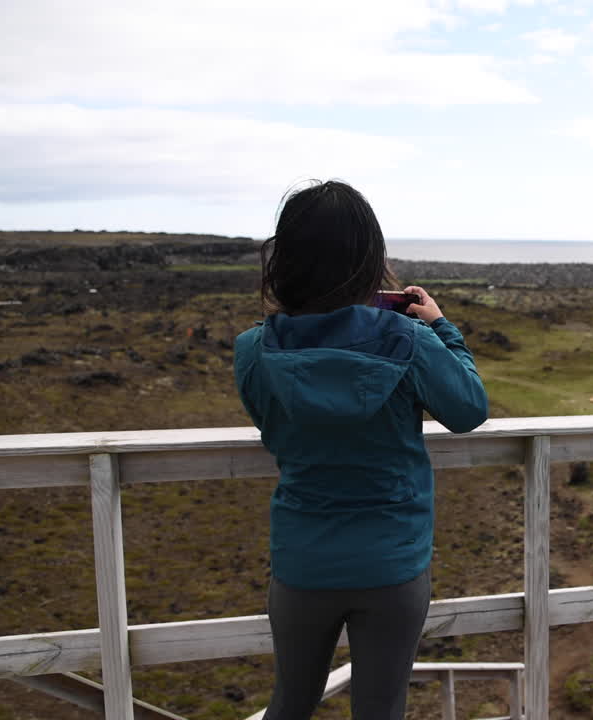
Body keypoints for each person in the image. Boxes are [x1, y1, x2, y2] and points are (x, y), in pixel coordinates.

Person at [233, 180, 488, 719]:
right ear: (369, 256)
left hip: (303, 558)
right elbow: (468, 409)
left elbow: (271, 427)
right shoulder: (408, 338)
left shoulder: (254, 349)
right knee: (380, 708)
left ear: (286, 258)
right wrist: (442, 328)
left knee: (290, 703)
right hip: (391, 561)